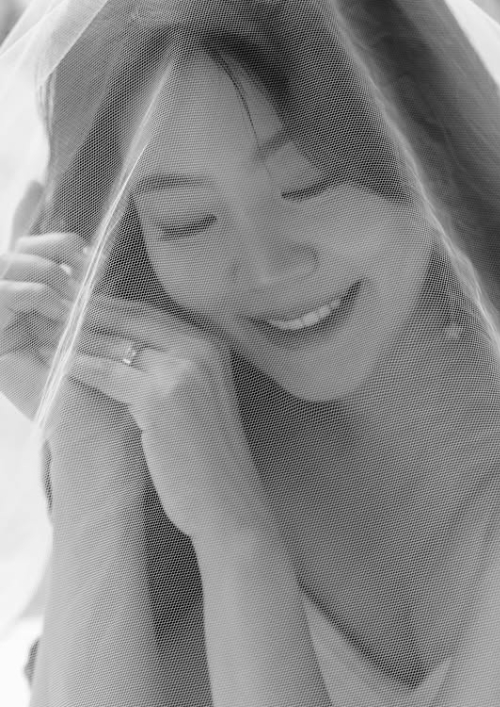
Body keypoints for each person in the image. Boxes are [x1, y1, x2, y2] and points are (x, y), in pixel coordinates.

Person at [1, 0, 500, 704]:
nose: (266, 266)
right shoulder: (197, 448)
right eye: (187, 221)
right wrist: (89, 449)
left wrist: (238, 538)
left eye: (310, 184)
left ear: (428, 155)